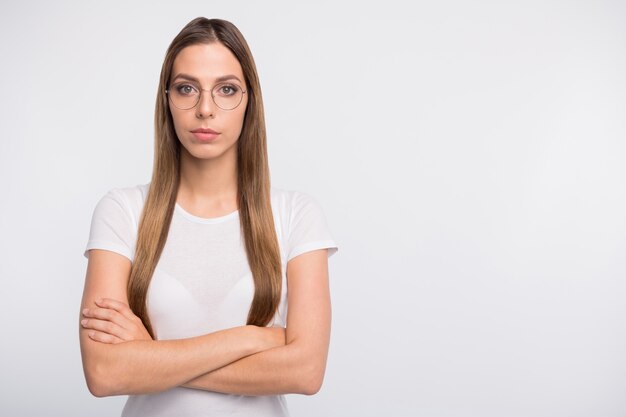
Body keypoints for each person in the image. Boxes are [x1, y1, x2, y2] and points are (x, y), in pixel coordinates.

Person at [78, 17, 338, 417]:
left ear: (250, 99)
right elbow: (104, 373)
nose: (204, 109)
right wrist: (251, 339)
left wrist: (148, 358)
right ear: (166, 98)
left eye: (226, 90)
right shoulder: (123, 211)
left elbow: (305, 371)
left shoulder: (295, 215)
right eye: (186, 88)